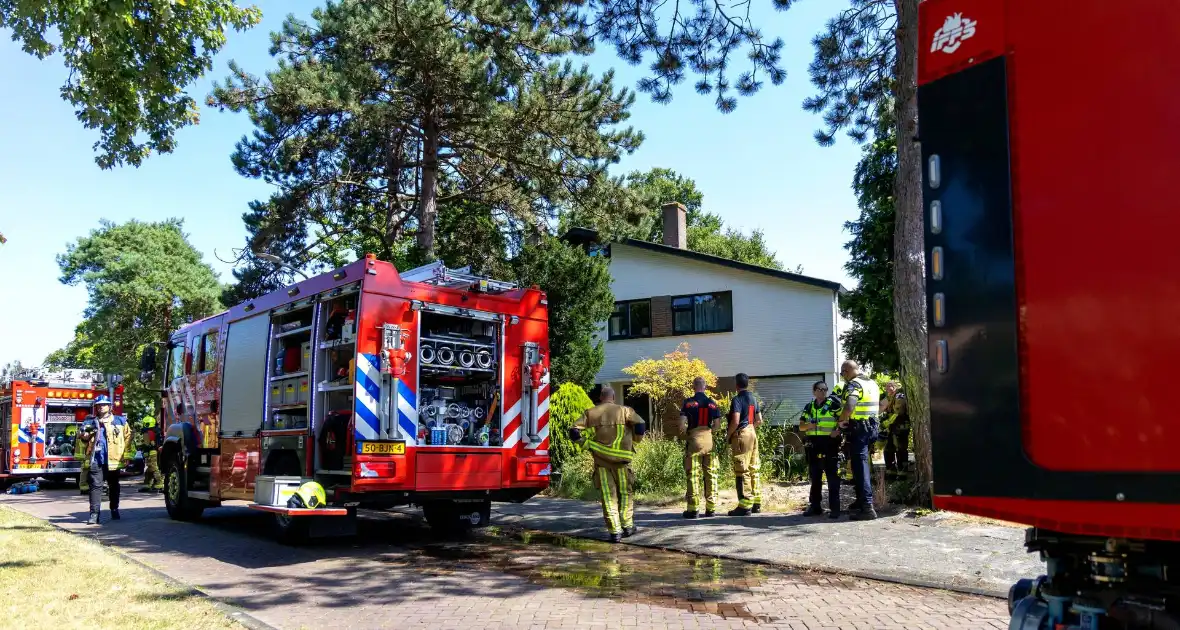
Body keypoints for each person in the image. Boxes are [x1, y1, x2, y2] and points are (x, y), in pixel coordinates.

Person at [568, 386, 646, 542]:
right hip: (623, 462)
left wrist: (586, 444)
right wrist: (636, 440)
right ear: (614, 398)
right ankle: (628, 526)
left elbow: (573, 431)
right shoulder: (625, 411)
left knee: (608, 496)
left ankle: (615, 531)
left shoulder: (591, 412)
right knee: (625, 494)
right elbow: (641, 425)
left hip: (602, 463)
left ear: (600, 398)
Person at [837, 360, 881, 521]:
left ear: (847, 371)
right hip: (872, 426)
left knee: (860, 466)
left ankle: (867, 508)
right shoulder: (871, 383)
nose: (843, 376)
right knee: (860, 465)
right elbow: (881, 404)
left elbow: (849, 406)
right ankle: (861, 501)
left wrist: (841, 421)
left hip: (859, 429)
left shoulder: (854, 384)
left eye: (842, 373)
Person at [77, 396, 132, 524]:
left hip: (114, 460)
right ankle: (94, 515)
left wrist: (128, 456)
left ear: (110, 406)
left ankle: (114, 509)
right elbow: (82, 440)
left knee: (114, 486)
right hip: (96, 459)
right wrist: (84, 437)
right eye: (99, 405)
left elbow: (128, 439)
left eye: (104, 404)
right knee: (95, 487)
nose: (101, 406)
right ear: (96, 407)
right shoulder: (89, 422)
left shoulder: (120, 421)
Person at [799, 380, 843, 519]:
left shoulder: (833, 405)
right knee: (815, 476)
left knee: (832, 477)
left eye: (825, 389)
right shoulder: (809, 407)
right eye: (819, 389)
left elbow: (844, 419)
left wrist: (838, 431)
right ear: (814, 391)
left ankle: (835, 508)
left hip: (829, 443)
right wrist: (809, 426)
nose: (822, 391)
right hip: (814, 444)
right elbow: (801, 426)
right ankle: (815, 506)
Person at [679, 377, 721, 519]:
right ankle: (711, 509)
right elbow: (717, 425)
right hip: (709, 440)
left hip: (694, 439)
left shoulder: (688, 403)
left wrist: (687, 433)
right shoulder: (712, 403)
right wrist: (709, 432)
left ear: (693, 387)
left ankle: (693, 509)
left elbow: (681, 424)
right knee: (711, 474)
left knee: (693, 474)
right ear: (705, 387)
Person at [726, 373, 763, 517]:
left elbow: (735, 421)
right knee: (754, 467)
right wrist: (750, 427)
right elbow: (759, 420)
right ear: (747, 384)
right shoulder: (753, 399)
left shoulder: (737, 399)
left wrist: (728, 435)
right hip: (752, 432)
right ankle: (756, 503)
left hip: (741, 434)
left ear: (736, 385)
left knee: (742, 469)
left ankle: (744, 505)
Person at [883, 385, 910, 477]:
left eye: (888, 387)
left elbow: (899, 409)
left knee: (900, 448)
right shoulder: (892, 396)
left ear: (893, 387)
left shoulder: (899, 394)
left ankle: (901, 472)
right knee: (890, 449)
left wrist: (890, 420)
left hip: (899, 426)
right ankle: (892, 471)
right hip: (895, 425)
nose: (887, 389)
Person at [137, 414, 163, 493]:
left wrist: (144, 451)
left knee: (153, 468)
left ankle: (159, 483)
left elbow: (147, 444)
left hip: (151, 452)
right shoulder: (156, 431)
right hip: (155, 451)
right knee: (149, 470)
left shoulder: (147, 432)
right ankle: (147, 485)